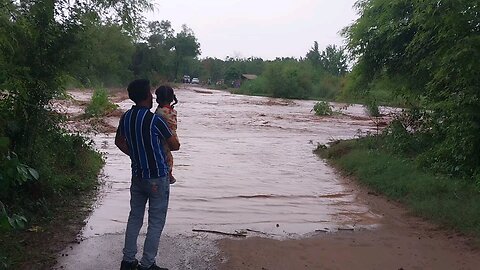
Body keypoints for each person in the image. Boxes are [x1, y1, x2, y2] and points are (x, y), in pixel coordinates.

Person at [115, 79, 180, 270]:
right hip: (157, 177)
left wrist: (136, 155)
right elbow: (174, 146)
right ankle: (147, 264)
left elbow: (119, 142)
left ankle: (128, 261)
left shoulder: (126, 117)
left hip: (138, 175)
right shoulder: (155, 120)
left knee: (135, 217)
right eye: (151, 94)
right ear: (146, 97)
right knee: (156, 221)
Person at [154, 85, 179, 184]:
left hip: (163, 140)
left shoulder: (160, 113)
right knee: (167, 157)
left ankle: (168, 174)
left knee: (164, 155)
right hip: (171, 138)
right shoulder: (171, 112)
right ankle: (169, 174)